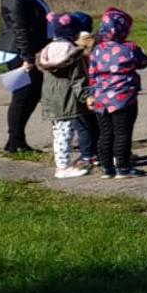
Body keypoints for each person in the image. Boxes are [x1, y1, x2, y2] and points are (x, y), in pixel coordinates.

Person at [0, 0, 50, 154]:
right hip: (19, 54)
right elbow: (20, 29)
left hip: (27, 52)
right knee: (23, 96)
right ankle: (14, 141)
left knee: (30, 95)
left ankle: (17, 139)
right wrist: (27, 58)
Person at [88, 7, 147, 179]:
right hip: (124, 98)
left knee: (105, 133)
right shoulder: (129, 48)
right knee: (122, 133)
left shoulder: (97, 50)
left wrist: (91, 93)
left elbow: (92, 74)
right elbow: (143, 62)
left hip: (101, 98)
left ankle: (106, 167)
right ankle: (123, 166)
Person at [36, 12, 93, 179]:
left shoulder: (47, 50)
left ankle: (62, 163)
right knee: (65, 133)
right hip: (67, 98)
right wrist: (86, 97)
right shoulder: (73, 54)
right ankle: (62, 167)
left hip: (51, 98)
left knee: (59, 131)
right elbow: (78, 80)